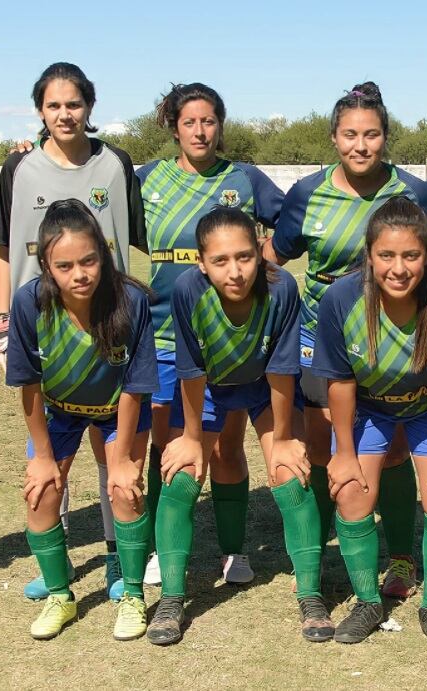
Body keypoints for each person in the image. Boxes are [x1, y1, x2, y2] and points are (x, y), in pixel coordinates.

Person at [264, 82, 427, 599]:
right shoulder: (307, 194)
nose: (360, 145)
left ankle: (403, 559)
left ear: (386, 137)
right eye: (349, 135)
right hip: (323, 343)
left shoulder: (416, 195)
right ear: (334, 137)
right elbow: (273, 260)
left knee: (390, 453)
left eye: (370, 134)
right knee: (325, 447)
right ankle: (325, 550)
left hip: (395, 344)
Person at [0, 62, 147, 602]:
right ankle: (53, 565)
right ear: (40, 110)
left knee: (116, 457)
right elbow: (6, 249)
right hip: (45, 329)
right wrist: (1, 321)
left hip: (108, 327)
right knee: (47, 457)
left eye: (74, 104)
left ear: (89, 108)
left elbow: (142, 238)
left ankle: (115, 558)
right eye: (54, 105)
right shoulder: (19, 167)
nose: (65, 114)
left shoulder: (116, 164)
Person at [136, 82, 285, 588]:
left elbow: (291, 224)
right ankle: (161, 550)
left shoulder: (243, 178)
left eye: (209, 121)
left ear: (220, 125)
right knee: (169, 446)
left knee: (225, 447)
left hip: (230, 339)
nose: (200, 131)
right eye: (189, 122)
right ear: (174, 128)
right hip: (160, 337)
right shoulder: (147, 180)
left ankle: (233, 552)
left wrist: (263, 265)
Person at [313, 197, 427, 646]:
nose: (399, 268)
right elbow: (341, 383)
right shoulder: (341, 298)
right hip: (370, 407)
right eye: (386, 255)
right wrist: (344, 453)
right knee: (349, 489)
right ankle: (368, 602)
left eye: (411, 255)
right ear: (369, 255)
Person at [150, 207, 310, 646]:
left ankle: (312, 598)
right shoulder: (188, 290)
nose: (235, 271)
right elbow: (190, 367)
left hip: (263, 387)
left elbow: (281, 370)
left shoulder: (281, 287)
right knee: (181, 474)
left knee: (289, 471)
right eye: (220, 261)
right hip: (212, 387)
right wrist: (190, 438)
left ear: (260, 252)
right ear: (201, 262)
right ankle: (171, 599)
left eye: (244, 257)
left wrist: (283, 438)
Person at [7, 199, 156, 640]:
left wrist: (124, 458)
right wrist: (42, 457)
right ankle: (60, 596)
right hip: (60, 411)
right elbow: (29, 385)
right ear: (47, 266)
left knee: (124, 490)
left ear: (104, 255)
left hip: (119, 410)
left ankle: (132, 594)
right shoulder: (30, 304)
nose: (80, 274)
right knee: (41, 492)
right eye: (65, 265)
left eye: (89, 260)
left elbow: (134, 385)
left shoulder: (130, 300)